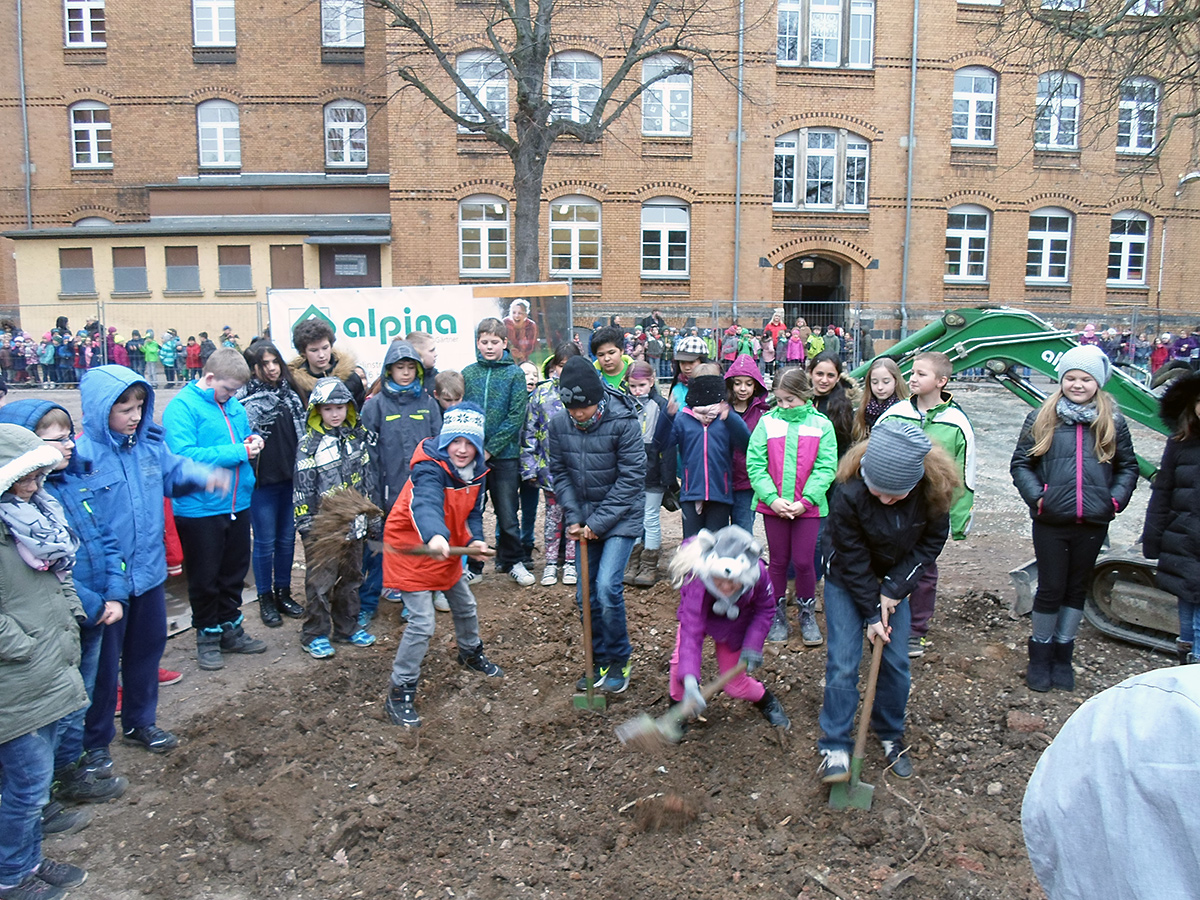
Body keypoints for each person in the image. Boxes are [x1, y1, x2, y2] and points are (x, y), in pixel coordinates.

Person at [76, 366, 226, 759]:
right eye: (124, 407)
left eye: (140, 406)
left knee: (146, 653)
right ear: (99, 408)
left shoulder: (147, 447)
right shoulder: (80, 458)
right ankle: (94, 744)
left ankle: (141, 722)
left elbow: (175, 472)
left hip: (148, 574)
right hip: (106, 585)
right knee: (103, 670)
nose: (135, 415)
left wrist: (204, 474)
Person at [0, 402, 129, 807]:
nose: (67, 445)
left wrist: (114, 591)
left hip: (81, 614)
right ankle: (46, 793)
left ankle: (73, 772)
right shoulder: (17, 514)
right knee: (48, 716)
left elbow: (102, 540)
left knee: (78, 698)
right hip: (51, 627)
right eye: (54, 438)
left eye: (68, 435)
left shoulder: (66, 489)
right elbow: (49, 578)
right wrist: (91, 605)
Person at [817, 420, 959, 784]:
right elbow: (851, 556)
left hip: (895, 580)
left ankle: (890, 732)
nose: (884, 501)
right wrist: (870, 612)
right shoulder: (849, 492)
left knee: (896, 662)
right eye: (877, 492)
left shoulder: (934, 491)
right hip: (847, 577)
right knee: (844, 661)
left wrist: (894, 589)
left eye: (894, 496)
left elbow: (930, 544)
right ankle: (834, 743)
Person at [1011, 345, 1139, 692]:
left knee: (1076, 587)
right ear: (1060, 380)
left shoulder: (1112, 421)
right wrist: (1039, 499)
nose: (1077, 384)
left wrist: (1113, 501)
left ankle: (1063, 654)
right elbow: (1022, 464)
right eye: (1070, 378)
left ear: (1097, 383)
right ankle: (1039, 654)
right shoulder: (1043, 417)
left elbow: (1128, 466)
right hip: (1051, 521)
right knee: (1051, 588)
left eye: (1085, 378)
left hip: (1094, 521)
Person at [0, 425, 90, 900]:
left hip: (49, 662)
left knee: (35, 781)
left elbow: (60, 577)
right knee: (28, 783)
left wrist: (72, 616)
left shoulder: (35, 520)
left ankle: (29, 859)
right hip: (16, 676)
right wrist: (26, 645)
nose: (36, 488)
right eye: (25, 479)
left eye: (39, 477)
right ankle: (11, 876)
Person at [1022, 666, 1200, 900]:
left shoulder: (1140, 699)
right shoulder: (1157, 702)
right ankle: (1044, 658)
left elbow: (1049, 813)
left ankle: (1060, 658)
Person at [382, 403, 503, 728]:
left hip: (448, 545)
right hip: (413, 547)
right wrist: (434, 534)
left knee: (465, 604)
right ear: (445, 440)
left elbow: (474, 511)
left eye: (469, 443)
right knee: (422, 622)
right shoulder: (429, 468)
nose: (462, 450)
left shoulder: (476, 471)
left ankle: (470, 652)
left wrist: (476, 540)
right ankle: (399, 689)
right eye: (455, 441)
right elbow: (426, 503)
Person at [163, 349, 267, 671]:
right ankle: (207, 636)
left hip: (238, 502)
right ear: (209, 379)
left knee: (233, 572)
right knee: (205, 577)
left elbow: (238, 439)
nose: (233, 396)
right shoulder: (181, 408)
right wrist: (239, 451)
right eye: (228, 389)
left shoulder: (233, 406)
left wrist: (252, 440)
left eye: (235, 391)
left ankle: (230, 630)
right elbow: (182, 456)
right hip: (199, 509)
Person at [549, 356, 645, 694]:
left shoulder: (623, 421)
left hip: (620, 516)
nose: (578, 415)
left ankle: (620, 659)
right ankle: (598, 659)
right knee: (584, 595)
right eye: (572, 408)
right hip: (584, 517)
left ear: (598, 399)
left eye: (585, 408)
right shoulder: (559, 425)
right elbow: (559, 473)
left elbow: (632, 478)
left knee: (606, 587)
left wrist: (598, 523)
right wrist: (574, 517)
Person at [877, 351, 976, 658]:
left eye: (920, 374)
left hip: (930, 511)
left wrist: (958, 518)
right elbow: (875, 456)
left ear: (941, 381)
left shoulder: (956, 423)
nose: (912, 379)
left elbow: (965, 471)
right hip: (892, 505)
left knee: (923, 571)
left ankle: (916, 631)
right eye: (912, 373)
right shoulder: (894, 415)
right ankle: (882, 621)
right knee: (886, 565)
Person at [666, 526, 790, 731]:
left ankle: (765, 700)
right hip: (702, 613)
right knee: (680, 668)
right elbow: (691, 631)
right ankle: (677, 711)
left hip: (736, 621)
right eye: (719, 581)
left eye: (731, 582)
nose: (725, 587)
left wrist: (753, 646)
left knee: (734, 684)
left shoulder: (756, 574)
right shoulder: (698, 578)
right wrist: (690, 681)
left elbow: (765, 610)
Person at [747, 366, 838, 646]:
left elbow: (826, 467)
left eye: (791, 400)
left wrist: (806, 501)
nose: (785, 405)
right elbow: (755, 463)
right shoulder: (767, 422)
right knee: (777, 561)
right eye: (781, 399)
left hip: (807, 509)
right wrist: (772, 498)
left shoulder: (821, 424)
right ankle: (776, 614)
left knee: (804, 560)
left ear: (804, 395)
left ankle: (806, 613)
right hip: (773, 506)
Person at [293, 378, 380, 659]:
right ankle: (314, 633)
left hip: (354, 525)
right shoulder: (308, 444)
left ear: (349, 408)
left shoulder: (357, 438)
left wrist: (372, 517)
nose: (334, 414)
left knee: (352, 578)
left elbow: (368, 479)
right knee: (320, 582)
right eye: (327, 408)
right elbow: (302, 485)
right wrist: (305, 521)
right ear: (317, 410)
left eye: (340, 407)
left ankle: (347, 627)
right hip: (322, 529)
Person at [359, 340, 442, 623]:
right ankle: (367, 605)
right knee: (382, 549)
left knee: (418, 545)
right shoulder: (375, 407)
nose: (405, 373)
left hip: (422, 489)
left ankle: (413, 598)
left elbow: (439, 447)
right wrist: (372, 494)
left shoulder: (428, 404)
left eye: (410, 367)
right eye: (399, 368)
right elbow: (367, 455)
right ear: (388, 371)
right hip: (388, 489)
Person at [235, 341, 306, 628]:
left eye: (275, 361)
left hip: (291, 479)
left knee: (288, 540)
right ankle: (265, 597)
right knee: (265, 542)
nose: (273, 368)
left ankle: (283, 592)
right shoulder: (242, 401)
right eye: (265, 364)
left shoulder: (292, 394)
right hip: (262, 483)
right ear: (253, 368)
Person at [462, 318, 532, 586]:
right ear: (477, 343)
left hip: (504, 457)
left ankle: (513, 561)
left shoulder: (514, 374)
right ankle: (475, 565)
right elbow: (463, 410)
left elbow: (516, 416)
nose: (489, 347)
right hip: (471, 458)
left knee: (507, 512)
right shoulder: (469, 373)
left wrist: (490, 450)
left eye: (494, 342)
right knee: (472, 513)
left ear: (505, 343)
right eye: (484, 342)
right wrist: (472, 449)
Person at [1142, 372, 1200, 665]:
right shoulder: (1180, 443)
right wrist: (1153, 537)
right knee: (1188, 607)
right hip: (1185, 542)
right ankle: (1187, 660)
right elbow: (1163, 492)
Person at [520, 344, 582, 587]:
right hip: (550, 473)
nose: (565, 371)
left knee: (574, 517)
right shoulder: (542, 394)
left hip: (579, 472)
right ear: (554, 367)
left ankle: (570, 562)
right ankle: (550, 563)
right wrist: (529, 467)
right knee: (552, 518)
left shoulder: (586, 392)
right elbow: (530, 432)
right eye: (561, 366)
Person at [667, 367, 750, 538]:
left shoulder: (726, 418)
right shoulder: (684, 419)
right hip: (692, 492)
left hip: (720, 492)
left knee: (715, 544)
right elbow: (663, 444)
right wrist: (666, 416)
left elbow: (746, 444)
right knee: (691, 545)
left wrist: (730, 417)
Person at [624, 361, 675, 588]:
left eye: (641, 385)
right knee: (634, 517)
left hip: (653, 468)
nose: (637, 390)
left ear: (652, 382)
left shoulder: (661, 404)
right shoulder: (624, 404)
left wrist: (668, 477)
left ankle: (649, 564)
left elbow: (668, 443)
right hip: (629, 468)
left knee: (650, 517)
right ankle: (632, 561)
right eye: (633, 386)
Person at [724, 353, 770, 535]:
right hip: (722, 481)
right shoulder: (722, 410)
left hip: (747, 483)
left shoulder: (761, 414)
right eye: (738, 383)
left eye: (748, 384)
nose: (743, 388)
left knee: (743, 531)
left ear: (756, 385)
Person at [287, 319, 365, 409]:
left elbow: (361, 411)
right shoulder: (295, 384)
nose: (321, 355)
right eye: (314, 350)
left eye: (325, 348)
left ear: (331, 346)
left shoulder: (351, 377)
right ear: (303, 352)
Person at [852, 357, 908, 441]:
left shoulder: (904, 410)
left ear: (896, 381)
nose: (880, 387)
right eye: (874, 382)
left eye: (886, 382)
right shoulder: (863, 409)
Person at [667, 334, 709, 412]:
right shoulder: (677, 390)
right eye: (682, 362)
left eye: (691, 362)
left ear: (702, 361)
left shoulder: (714, 387)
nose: (687, 367)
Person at [591, 326, 634, 391]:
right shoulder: (591, 376)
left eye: (611, 353)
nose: (606, 358)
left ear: (621, 350)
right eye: (601, 355)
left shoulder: (637, 372)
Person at [504, 299, 539, 364]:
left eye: (520, 313)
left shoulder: (531, 326)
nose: (516, 316)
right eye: (514, 312)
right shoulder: (505, 323)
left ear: (526, 314)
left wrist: (521, 354)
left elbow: (531, 346)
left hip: (523, 357)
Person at [407, 331, 440, 396]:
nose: (436, 354)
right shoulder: (403, 381)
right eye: (431, 350)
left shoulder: (439, 381)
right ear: (418, 354)